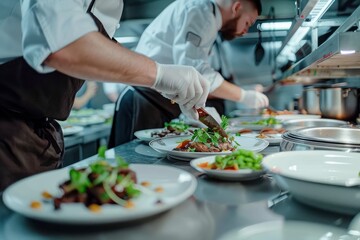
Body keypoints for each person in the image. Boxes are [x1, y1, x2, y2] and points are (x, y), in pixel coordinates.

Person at [0, 0, 209, 191]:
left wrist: (165, 86)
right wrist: (159, 74)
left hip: (35, 131)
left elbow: (98, 53)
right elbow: (64, 46)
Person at [108, 0, 269, 147]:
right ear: (237, 7)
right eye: (248, 23)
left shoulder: (209, 17)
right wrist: (244, 95)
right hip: (142, 101)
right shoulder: (200, 11)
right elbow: (197, 71)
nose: (245, 31)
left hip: (159, 102)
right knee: (128, 164)